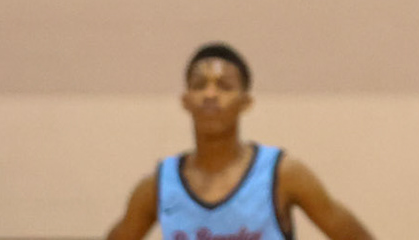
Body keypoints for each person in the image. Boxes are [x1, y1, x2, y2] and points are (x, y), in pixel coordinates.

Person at [103, 42, 376, 240]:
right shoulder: (159, 185)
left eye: (224, 86)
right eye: (199, 85)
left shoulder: (284, 175)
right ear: (186, 100)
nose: (210, 94)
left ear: (246, 102)